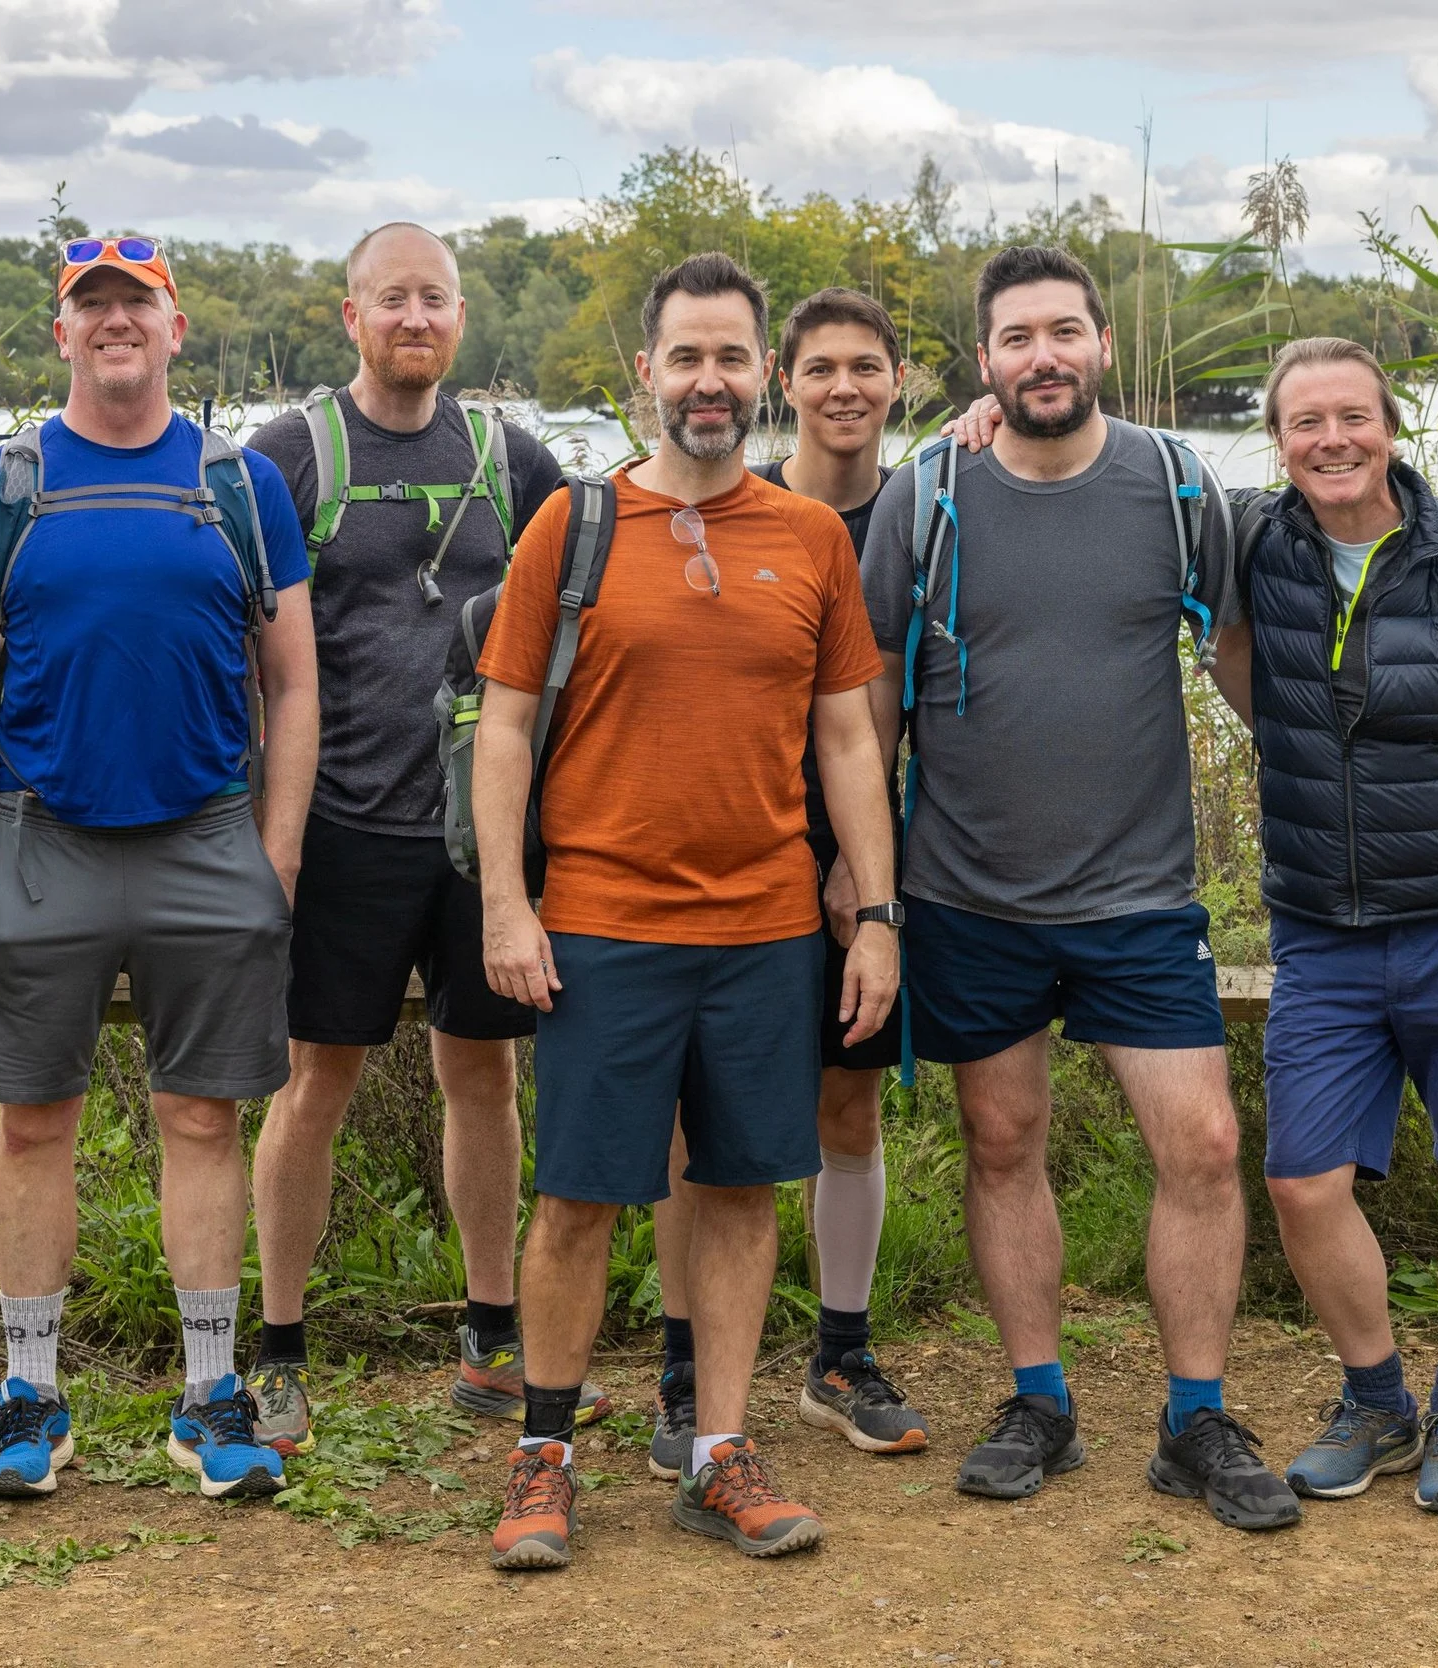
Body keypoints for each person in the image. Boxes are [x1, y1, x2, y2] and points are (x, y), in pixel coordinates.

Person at [474, 253, 898, 1571]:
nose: (708, 381)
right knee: (579, 1199)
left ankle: (719, 1451)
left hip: (767, 928)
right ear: (645, 374)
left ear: (761, 376)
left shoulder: (812, 537)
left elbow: (844, 740)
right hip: (602, 923)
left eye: (731, 357)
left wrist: (874, 911)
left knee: (737, 1189)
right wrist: (506, 902)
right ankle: (544, 1456)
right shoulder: (575, 526)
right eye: (686, 356)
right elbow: (505, 726)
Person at [861, 245, 1295, 1531]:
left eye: (1063, 331)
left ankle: (1195, 1416)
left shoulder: (1171, 482)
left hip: (1139, 893)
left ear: (1100, 344)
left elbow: (1232, 650)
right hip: (967, 894)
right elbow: (869, 694)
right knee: (1001, 1142)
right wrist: (861, 877)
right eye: (1015, 337)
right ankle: (1038, 1401)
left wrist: (1350, 792)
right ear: (983, 361)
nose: (1040, 356)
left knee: (1204, 1145)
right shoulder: (926, 490)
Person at [0, 235, 318, 1503]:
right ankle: (29, 1396)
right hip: (43, 839)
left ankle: (212, 1396)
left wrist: (274, 856)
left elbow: (296, 681)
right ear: (61, 334)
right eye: (89, 307)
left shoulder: (240, 483)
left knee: (201, 1116)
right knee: (33, 1120)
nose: (113, 324)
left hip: (207, 837)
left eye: (134, 307)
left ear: (175, 327)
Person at [242, 222, 605, 1452]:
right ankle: (280, 1355)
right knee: (313, 1085)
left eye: (434, 299)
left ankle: (493, 1340)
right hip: (339, 825)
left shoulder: (512, 457)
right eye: (390, 298)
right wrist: (256, 829)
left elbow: (611, 568)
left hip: (478, 833)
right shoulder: (289, 455)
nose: (414, 318)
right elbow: (233, 635)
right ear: (351, 315)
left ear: (460, 318)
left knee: (483, 1075)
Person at [1203, 338, 1438, 1516]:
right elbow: (1223, 648)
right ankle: (1376, 1400)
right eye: (1304, 421)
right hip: (1320, 929)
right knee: (1303, 1181)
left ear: (1390, 426)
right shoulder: (1253, 540)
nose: (1331, 440)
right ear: (1277, 440)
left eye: (1351, 417)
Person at [644, 285, 927, 1479]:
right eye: (819, 369)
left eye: (867, 367)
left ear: (899, 383)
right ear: (783, 383)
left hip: (868, 861)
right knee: (684, 1123)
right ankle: (679, 1367)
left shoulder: (930, 505)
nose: (843, 389)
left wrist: (868, 882)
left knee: (845, 1106)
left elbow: (887, 723)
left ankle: (838, 1352)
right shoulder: (728, 509)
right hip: (736, 858)